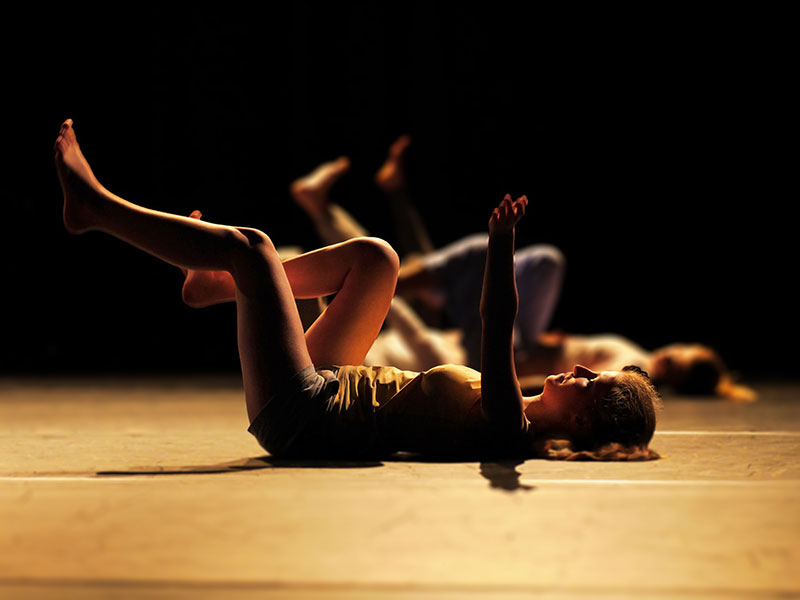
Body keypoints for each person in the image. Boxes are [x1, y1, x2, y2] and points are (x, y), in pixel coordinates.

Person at [55, 119, 660, 461]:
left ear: (582, 421)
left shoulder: (510, 428)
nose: (583, 369)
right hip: (334, 382)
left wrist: (501, 243)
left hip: (302, 415)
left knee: (253, 247)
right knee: (377, 259)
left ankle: (95, 209)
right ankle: (214, 286)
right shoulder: (514, 411)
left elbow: (497, 321)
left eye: (594, 382)